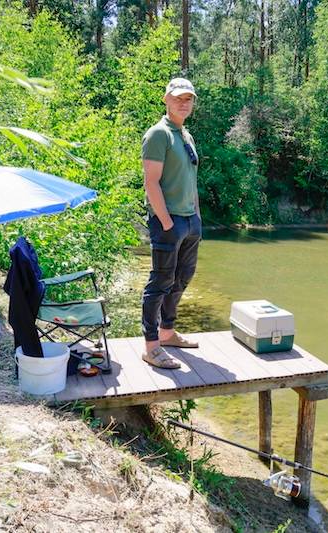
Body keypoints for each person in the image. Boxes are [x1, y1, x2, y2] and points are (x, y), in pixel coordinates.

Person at [140, 78, 203, 369]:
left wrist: (196, 218)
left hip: (190, 221)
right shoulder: (158, 134)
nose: (183, 102)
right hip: (169, 222)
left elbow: (190, 180)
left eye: (188, 98)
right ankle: (151, 346)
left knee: (182, 278)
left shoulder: (185, 135)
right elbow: (151, 183)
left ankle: (167, 333)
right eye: (178, 98)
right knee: (160, 282)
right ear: (166, 99)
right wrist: (166, 222)